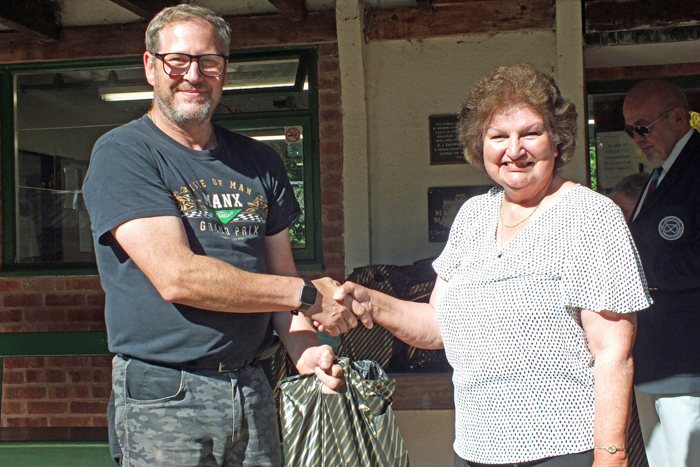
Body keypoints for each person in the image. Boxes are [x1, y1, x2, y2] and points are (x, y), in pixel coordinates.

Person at [82, 5, 370, 467]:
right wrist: (306, 296)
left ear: (224, 72)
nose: (193, 74)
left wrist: (306, 351)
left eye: (208, 62)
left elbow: (280, 281)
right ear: (150, 66)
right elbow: (178, 277)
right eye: (177, 60)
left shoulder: (259, 162)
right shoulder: (124, 154)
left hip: (252, 384)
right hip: (166, 394)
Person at [334, 63, 651, 467]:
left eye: (531, 133)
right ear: (478, 145)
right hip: (475, 450)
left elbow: (613, 352)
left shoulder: (590, 215)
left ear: (556, 141)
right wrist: (370, 301)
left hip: (566, 449)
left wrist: (612, 455)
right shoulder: (471, 217)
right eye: (498, 136)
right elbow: (437, 326)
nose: (514, 149)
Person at [623, 79, 700, 467]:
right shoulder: (661, 173)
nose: (637, 138)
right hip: (655, 354)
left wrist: (638, 270)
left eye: (643, 126)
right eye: (630, 130)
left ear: (678, 117)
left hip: (688, 358)